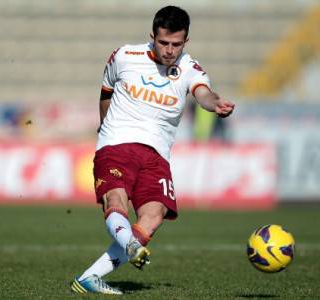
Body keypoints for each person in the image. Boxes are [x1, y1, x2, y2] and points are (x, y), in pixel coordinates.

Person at [71, 6, 235, 295]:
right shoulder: (124, 56)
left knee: (154, 215)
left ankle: (90, 277)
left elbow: (203, 93)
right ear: (152, 37)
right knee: (116, 198)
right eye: (163, 43)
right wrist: (104, 129)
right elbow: (106, 92)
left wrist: (215, 104)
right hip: (117, 143)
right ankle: (130, 244)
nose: (170, 50)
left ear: (186, 42)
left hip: (157, 154)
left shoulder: (189, 68)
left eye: (177, 44)